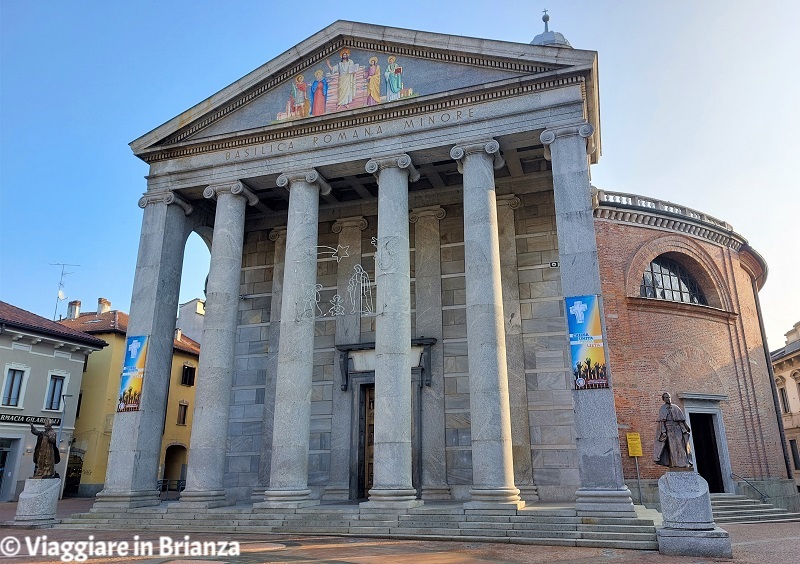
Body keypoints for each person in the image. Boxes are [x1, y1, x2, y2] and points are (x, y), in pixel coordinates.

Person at [654, 392, 692, 468]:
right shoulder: (662, 409)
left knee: (681, 445)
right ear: (663, 399)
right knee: (672, 447)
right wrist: (664, 432)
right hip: (669, 430)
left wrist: (685, 428)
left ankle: (684, 463)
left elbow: (681, 420)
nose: (668, 399)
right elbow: (662, 422)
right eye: (666, 398)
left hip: (678, 429)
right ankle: (675, 464)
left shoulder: (676, 407)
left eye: (669, 397)